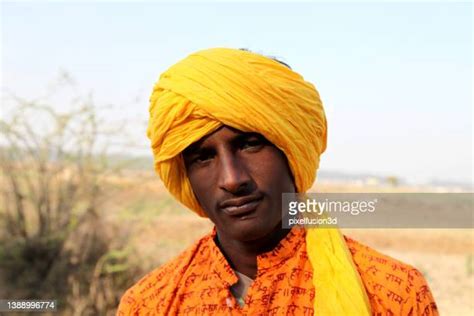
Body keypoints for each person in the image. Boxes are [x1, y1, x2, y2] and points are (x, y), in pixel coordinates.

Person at [117, 48, 438, 315]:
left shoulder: (393, 293)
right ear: (185, 175)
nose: (232, 179)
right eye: (203, 156)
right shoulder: (150, 304)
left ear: (293, 149)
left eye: (250, 143)